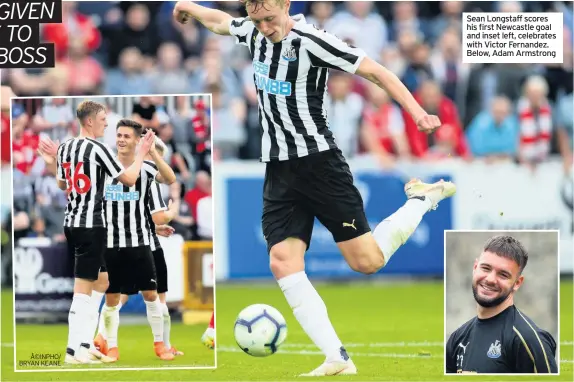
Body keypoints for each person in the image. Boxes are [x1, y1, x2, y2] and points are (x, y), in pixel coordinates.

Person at [173, 0, 456, 376]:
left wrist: (416, 112)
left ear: (286, 5)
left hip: (320, 166)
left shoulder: (312, 41)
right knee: (282, 261)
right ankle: (336, 357)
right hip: (279, 170)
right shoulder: (253, 32)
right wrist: (187, 6)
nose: (263, 28)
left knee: (366, 262)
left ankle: (421, 200)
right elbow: (221, 21)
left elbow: (376, 72)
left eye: (270, 19)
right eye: (256, 20)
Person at [37, 101, 155, 364]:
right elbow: (129, 179)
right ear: (89, 121)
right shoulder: (98, 149)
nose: (106, 123)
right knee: (82, 289)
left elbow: (62, 183)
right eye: (102, 119)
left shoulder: (66, 147)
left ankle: (85, 343)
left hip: (74, 222)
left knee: (101, 282)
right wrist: (142, 153)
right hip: (90, 224)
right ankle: (73, 351)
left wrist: (50, 160)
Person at [91, 121, 178, 362]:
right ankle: (112, 347)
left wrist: (152, 154)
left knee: (151, 295)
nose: (121, 140)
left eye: (127, 136)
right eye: (118, 135)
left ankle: (160, 345)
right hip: (110, 244)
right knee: (111, 300)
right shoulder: (104, 169)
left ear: (137, 140)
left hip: (139, 244)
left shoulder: (147, 169)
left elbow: (170, 178)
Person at [445, 235, 558, 374]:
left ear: (517, 283)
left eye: (503, 275)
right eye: (485, 268)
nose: (491, 279)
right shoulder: (458, 338)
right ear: (475, 268)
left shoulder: (528, 339)